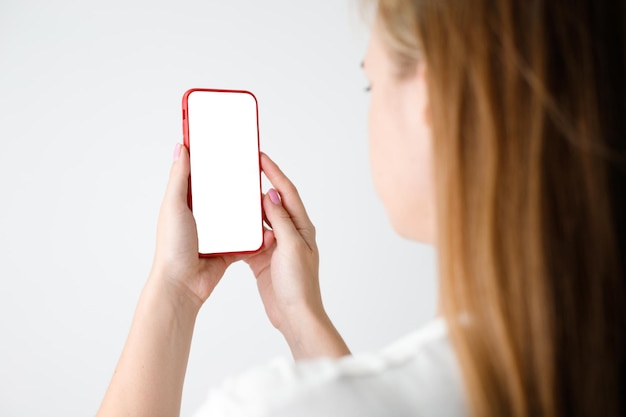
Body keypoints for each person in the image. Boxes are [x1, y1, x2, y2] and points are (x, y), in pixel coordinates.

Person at [96, 0, 626, 416]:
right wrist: (302, 317)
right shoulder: (587, 373)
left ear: (432, 98)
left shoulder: (272, 408)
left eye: (370, 81)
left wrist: (173, 292)